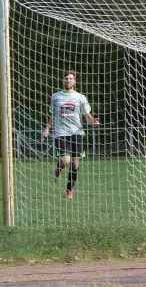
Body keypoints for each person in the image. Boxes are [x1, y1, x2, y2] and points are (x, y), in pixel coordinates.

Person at [41, 71, 99, 199]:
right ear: (63, 81)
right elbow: (53, 116)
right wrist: (47, 130)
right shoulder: (55, 97)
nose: (68, 80)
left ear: (75, 82)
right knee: (65, 161)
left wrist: (93, 122)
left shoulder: (81, 98)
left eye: (71, 78)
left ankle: (69, 190)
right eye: (66, 78)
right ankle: (59, 168)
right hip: (61, 133)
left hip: (77, 133)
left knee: (74, 165)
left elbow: (87, 116)